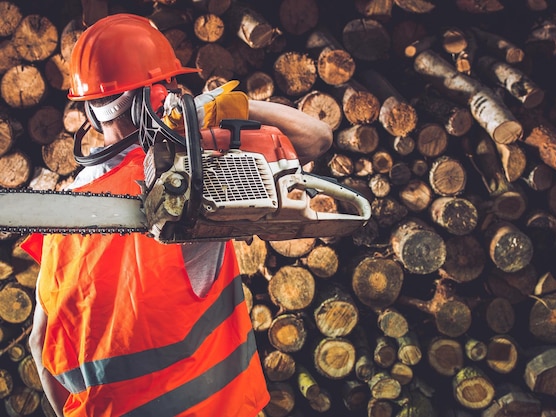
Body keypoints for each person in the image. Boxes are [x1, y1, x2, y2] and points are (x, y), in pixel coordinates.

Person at [22, 13, 332, 417]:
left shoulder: (64, 211)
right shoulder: (195, 177)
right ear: (156, 95)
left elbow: (39, 343)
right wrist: (231, 107)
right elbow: (317, 138)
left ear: (91, 110)